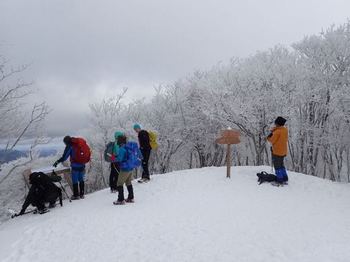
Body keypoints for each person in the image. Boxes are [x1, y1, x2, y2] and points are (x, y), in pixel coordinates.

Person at [113, 135, 135, 205]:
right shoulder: (128, 147)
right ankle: (131, 198)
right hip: (130, 167)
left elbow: (120, 159)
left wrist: (113, 158)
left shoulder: (122, 149)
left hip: (125, 168)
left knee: (119, 183)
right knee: (128, 182)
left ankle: (120, 199)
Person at [267, 116, 289, 185]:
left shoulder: (277, 132)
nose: (275, 124)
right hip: (283, 151)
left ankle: (279, 180)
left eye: (275, 123)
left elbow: (272, 141)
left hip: (277, 151)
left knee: (277, 165)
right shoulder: (285, 130)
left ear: (278, 123)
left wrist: (269, 137)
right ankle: (285, 178)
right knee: (281, 165)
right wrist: (274, 130)